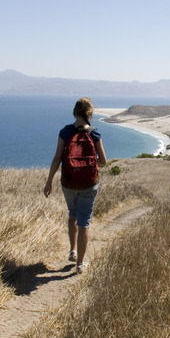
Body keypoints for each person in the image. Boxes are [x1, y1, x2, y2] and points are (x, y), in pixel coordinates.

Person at [43, 97, 107, 273]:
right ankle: (79, 264)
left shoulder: (65, 132)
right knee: (84, 222)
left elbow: (57, 158)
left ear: (74, 112)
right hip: (89, 184)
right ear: (90, 113)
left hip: (68, 182)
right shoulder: (94, 133)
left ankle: (72, 250)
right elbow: (103, 161)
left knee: (72, 213)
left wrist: (48, 182)